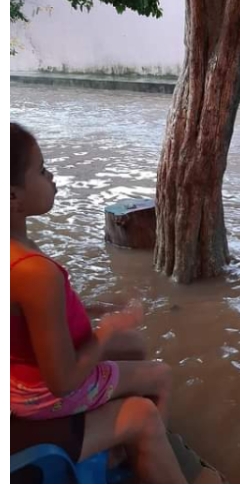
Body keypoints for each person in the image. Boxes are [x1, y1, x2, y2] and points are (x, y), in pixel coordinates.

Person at [10, 122, 185, 483]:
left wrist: (89, 309)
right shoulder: (34, 272)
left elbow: (27, 316)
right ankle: (147, 451)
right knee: (160, 376)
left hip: (20, 378)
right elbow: (63, 381)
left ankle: (124, 442)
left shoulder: (15, 253)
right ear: (12, 197)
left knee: (133, 345)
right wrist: (104, 332)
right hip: (40, 396)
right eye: (42, 170)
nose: (51, 175)